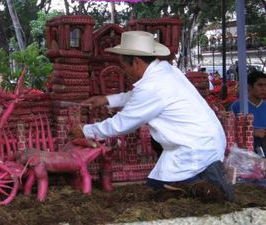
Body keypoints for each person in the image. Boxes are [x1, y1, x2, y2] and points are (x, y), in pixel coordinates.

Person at [71, 31, 233, 201]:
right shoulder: (166, 71)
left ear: (135, 62)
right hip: (202, 139)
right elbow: (139, 97)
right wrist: (107, 100)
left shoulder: (152, 86)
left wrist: (86, 130)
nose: (124, 71)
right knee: (160, 188)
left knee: (172, 194)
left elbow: (121, 124)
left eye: (123, 66)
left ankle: (212, 189)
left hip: (195, 147)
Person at [230, 71, 266, 157]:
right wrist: (252, 132)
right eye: (260, 85)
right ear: (249, 87)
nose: (264, 89)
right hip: (244, 153)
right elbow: (230, 132)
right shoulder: (237, 106)